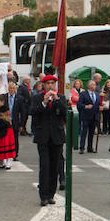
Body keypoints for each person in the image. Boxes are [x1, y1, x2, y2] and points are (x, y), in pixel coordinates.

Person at [32, 75, 67, 206]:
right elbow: (33, 112)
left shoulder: (61, 97)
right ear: (43, 85)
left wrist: (57, 100)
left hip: (57, 137)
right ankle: (43, 195)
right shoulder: (37, 98)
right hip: (43, 137)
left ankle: (51, 194)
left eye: (53, 83)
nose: (50, 86)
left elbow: (65, 114)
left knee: (55, 166)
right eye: (48, 84)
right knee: (44, 166)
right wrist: (44, 103)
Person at [76, 80, 100, 153]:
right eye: (93, 84)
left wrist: (100, 108)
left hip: (94, 116)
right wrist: (86, 106)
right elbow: (79, 104)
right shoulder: (83, 94)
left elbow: (97, 104)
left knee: (91, 133)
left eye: (95, 84)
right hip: (85, 116)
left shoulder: (97, 94)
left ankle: (90, 147)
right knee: (84, 132)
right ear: (89, 86)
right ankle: (82, 147)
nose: (95, 86)